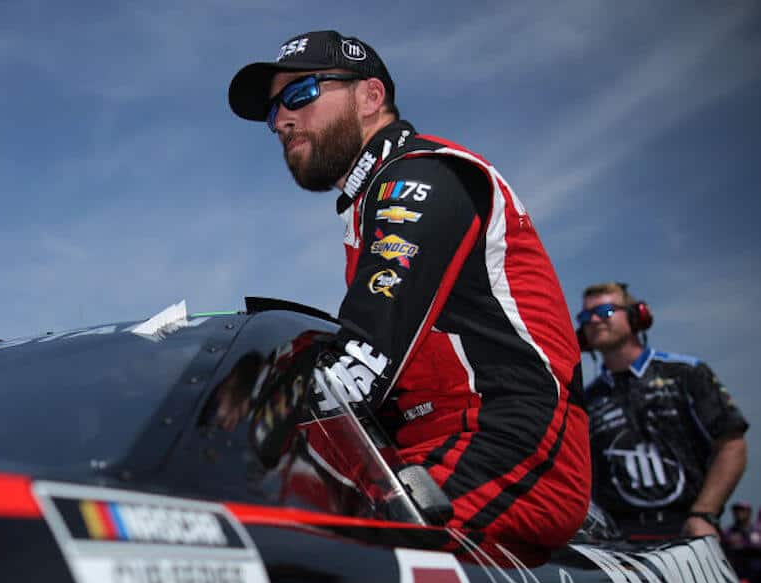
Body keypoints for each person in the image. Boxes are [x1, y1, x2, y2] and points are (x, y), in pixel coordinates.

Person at [227, 31, 590, 547]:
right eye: (272, 113)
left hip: (509, 440)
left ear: (370, 97)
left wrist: (228, 424)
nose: (282, 119)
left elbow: (357, 366)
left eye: (301, 93)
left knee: (309, 557)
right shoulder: (373, 201)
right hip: (417, 452)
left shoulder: (423, 175)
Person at [578, 282, 748, 539]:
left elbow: (732, 445)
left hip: (688, 530)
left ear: (637, 316)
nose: (594, 320)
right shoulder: (587, 399)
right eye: (585, 316)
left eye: (605, 311)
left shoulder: (686, 373)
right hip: (619, 542)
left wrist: (703, 514)